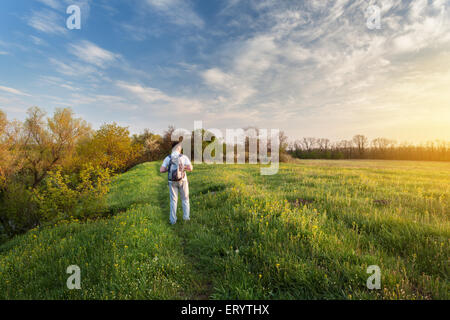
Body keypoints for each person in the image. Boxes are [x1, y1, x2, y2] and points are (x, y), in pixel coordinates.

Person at [160, 141, 193, 225]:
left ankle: (173, 221)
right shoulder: (184, 157)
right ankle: (186, 218)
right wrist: (182, 168)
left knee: (173, 201)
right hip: (183, 180)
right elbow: (190, 168)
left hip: (172, 181)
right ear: (178, 148)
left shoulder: (168, 158)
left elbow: (161, 170)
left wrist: (169, 169)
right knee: (185, 199)